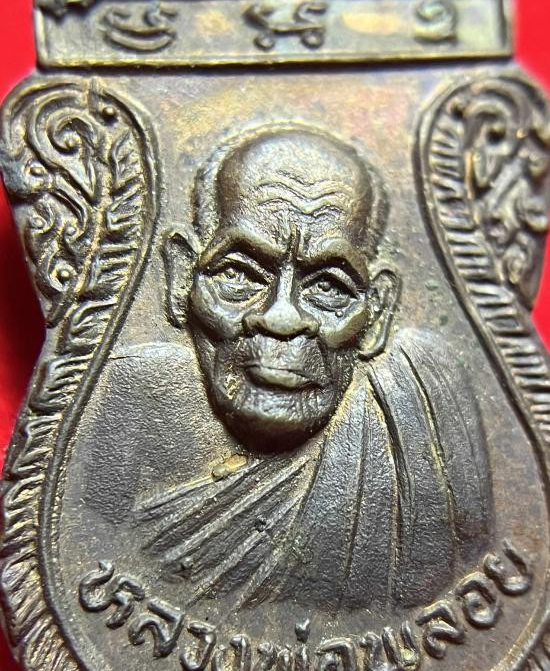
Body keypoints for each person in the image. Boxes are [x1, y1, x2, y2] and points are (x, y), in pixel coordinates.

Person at [138, 125, 493, 613]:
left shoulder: (428, 419)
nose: (282, 318)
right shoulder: (121, 411)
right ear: (182, 277)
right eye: (239, 274)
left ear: (378, 313)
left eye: (329, 287)